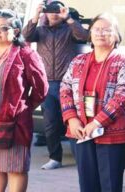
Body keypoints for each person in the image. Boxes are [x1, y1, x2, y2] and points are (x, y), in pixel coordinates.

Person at [60, 13, 125, 192]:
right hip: (82, 133)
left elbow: (124, 95)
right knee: (88, 190)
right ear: (90, 33)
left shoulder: (123, 62)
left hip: (111, 135)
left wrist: (97, 122)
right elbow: (65, 88)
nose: (101, 33)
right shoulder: (78, 61)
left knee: (111, 190)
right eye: (97, 29)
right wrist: (72, 119)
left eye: (107, 29)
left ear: (116, 35)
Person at [22, 0, 89, 170]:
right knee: (50, 124)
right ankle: (55, 158)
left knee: (73, 120)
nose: (54, 13)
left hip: (68, 84)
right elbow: (25, 36)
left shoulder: (69, 29)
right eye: (50, 10)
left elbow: (84, 36)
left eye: (57, 10)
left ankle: (80, 157)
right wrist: (36, 16)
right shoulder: (40, 31)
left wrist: (69, 18)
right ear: (45, 12)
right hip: (47, 84)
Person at [0, 9, 47, 192]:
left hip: (14, 123)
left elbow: (41, 89)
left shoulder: (25, 54)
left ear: (16, 30)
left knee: (15, 168)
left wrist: (22, 108)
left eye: (3, 27)